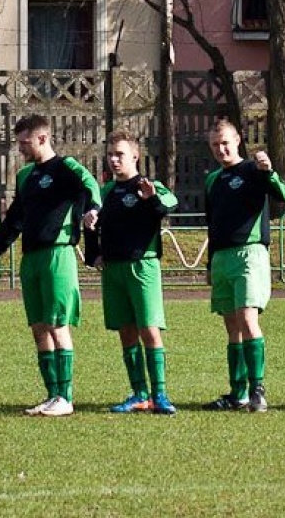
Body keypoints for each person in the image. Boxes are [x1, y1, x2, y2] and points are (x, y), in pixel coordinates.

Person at [0, 115, 100, 417]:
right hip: (31, 258)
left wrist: (94, 210)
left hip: (58, 255)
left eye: (24, 142)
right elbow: (14, 219)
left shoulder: (67, 167)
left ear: (42, 138)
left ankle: (65, 398)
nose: (20, 148)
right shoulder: (25, 176)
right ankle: (52, 394)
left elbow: (91, 186)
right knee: (39, 328)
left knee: (57, 324)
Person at [83, 130, 178, 415]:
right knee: (126, 331)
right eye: (110, 155)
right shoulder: (106, 192)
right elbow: (91, 223)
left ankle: (160, 395)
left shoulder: (151, 185)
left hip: (143, 265)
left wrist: (151, 199)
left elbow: (167, 208)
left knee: (149, 328)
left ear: (135, 156)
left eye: (120, 155)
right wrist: (93, 252)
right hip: (114, 269)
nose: (114, 160)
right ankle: (139, 394)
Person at [200, 120, 285, 412]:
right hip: (222, 258)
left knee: (248, 319)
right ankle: (237, 393)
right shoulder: (212, 180)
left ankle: (257, 389)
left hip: (250, 254)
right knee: (232, 326)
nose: (221, 149)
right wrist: (209, 263)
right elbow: (212, 224)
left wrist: (269, 172)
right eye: (215, 145)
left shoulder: (253, 170)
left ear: (238, 140)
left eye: (225, 143)